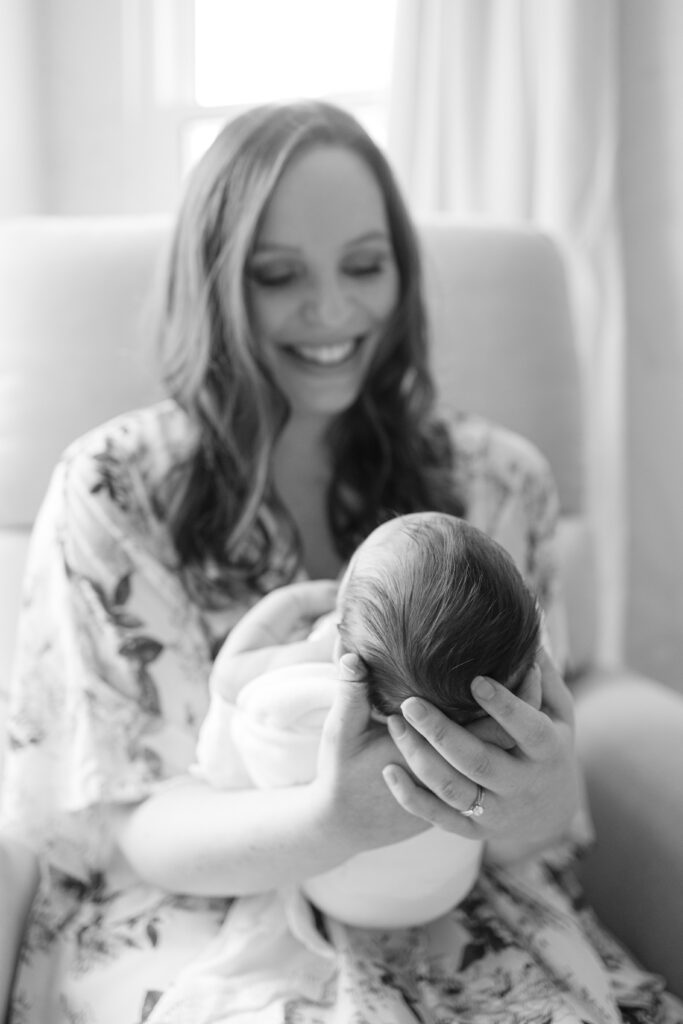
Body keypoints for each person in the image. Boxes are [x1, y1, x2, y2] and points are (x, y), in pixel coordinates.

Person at [0, 99, 680, 1024]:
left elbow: (530, 816)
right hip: (206, 906)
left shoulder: (496, 481)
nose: (330, 310)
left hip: (448, 903)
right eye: (278, 275)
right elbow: (133, 825)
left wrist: (540, 799)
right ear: (217, 284)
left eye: (364, 265)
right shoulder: (114, 489)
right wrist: (328, 822)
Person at [193, 511, 542, 930]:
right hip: (451, 890)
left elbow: (230, 709)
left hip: (336, 896)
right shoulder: (504, 715)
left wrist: (287, 612)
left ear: (342, 653)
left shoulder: (297, 698)